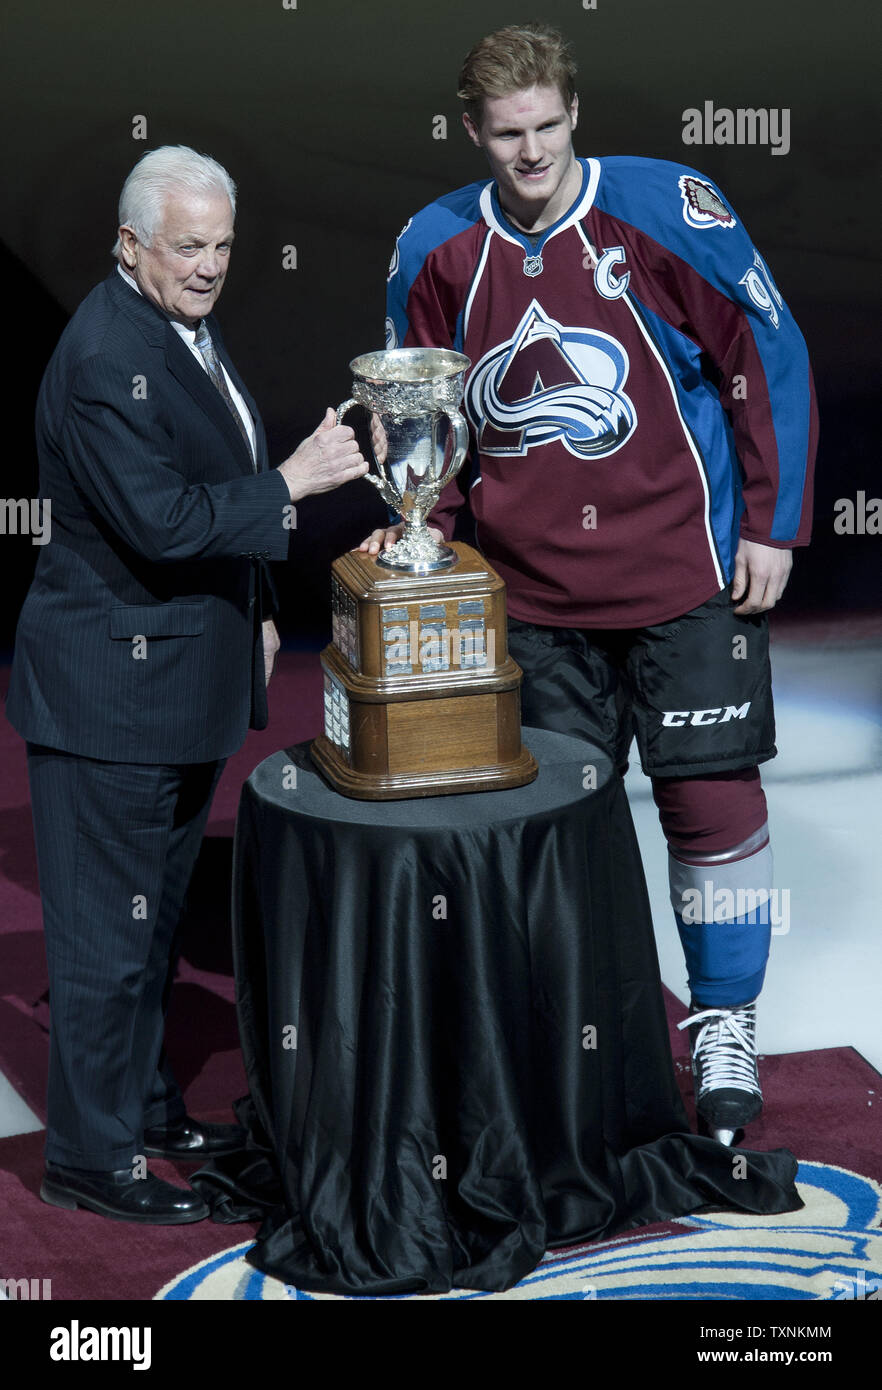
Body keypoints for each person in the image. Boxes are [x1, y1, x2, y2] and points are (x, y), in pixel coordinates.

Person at [365, 24, 817, 1144]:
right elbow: (428, 419)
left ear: (577, 115)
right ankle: (574, 1035)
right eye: (508, 134)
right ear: (474, 130)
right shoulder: (433, 248)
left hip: (686, 580)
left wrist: (774, 522)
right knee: (554, 829)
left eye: (549, 129)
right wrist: (434, 553)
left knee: (715, 810)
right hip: (535, 604)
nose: (530, 153)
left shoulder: (670, 209)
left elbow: (770, 352)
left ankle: (725, 1022)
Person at [6, 145, 367, 1222]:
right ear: (129, 245)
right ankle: (90, 1159)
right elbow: (161, 522)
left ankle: (147, 1109)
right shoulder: (101, 354)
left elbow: (205, 484)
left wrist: (256, 605)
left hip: (177, 684)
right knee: (105, 941)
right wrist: (292, 483)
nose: (210, 267)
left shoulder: (177, 331)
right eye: (188, 247)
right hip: (109, 700)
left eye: (221, 246)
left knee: (151, 926)